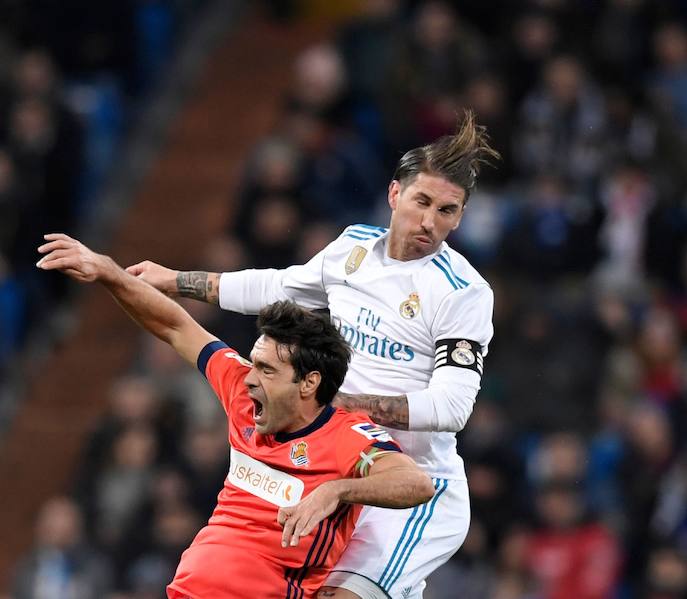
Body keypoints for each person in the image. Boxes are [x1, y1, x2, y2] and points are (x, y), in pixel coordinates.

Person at [128, 110, 499, 599]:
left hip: (412, 490)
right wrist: (177, 281)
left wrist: (340, 407)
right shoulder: (354, 250)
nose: (430, 222)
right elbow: (277, 286)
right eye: (421, 201)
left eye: (447, 211)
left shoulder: (463, 293)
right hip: (337, 472)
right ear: (394, 194)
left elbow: (452, 408)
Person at [36, 233, 435, 599]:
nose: (249, 379)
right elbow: (175, 325)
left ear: (309, 383)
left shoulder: (347, 438)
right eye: (254, 362)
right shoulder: (243, 393)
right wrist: (109, 272)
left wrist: (337, 491)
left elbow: (415, 483)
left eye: (267, 370)